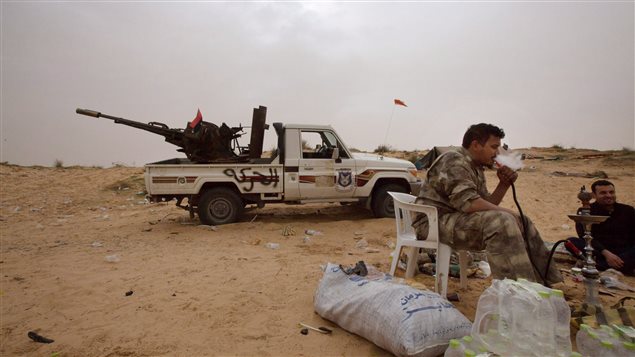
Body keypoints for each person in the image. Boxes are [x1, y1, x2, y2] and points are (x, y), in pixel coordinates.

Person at [412, 123, 563, 286]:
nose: (497, 153)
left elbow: (485, 204)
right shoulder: (454, 160)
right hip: (431, 223)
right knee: (502, 222)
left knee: (523, 220)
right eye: (494, 147)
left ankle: (548, 284)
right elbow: (469, 204)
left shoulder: (476, 167)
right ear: (476, 145)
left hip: (453, 219)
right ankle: (517, 290)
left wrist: (504, 184)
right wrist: (508, 213)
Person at [565, 180, 635, 275]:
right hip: (599, 251)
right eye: (603, 193)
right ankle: (623, 267)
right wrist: (606, 254)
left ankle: (601, 265)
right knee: (570, 242)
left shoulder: (628, 210)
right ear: (594, 195)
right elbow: (583, 235)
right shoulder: (586, 210)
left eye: (611, 192)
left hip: (624, 251)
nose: (609, 195)